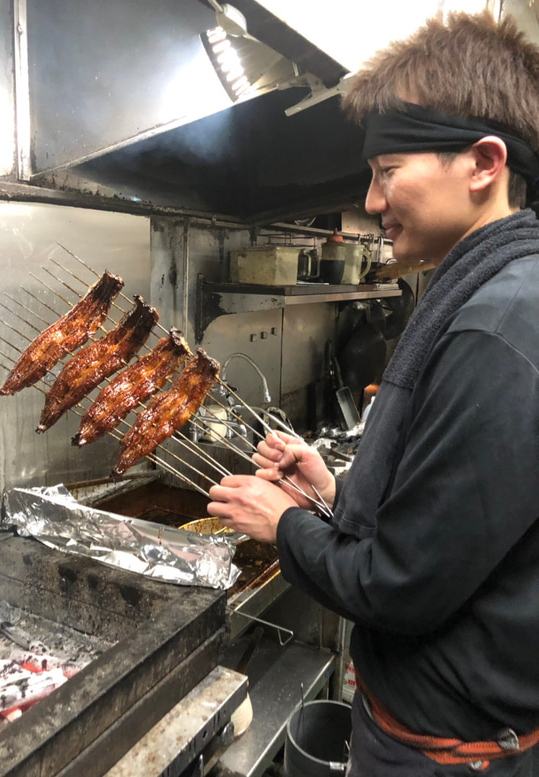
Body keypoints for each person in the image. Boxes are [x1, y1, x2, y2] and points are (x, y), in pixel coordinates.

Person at [207, 10, 539, 777]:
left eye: (387, 171)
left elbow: (400, 588)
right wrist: (334, 490)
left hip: (449, 756)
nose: (372, 199)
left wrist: (285, 522)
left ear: (483, 162)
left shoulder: (497, 325)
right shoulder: (489, 292)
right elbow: (460, 517)